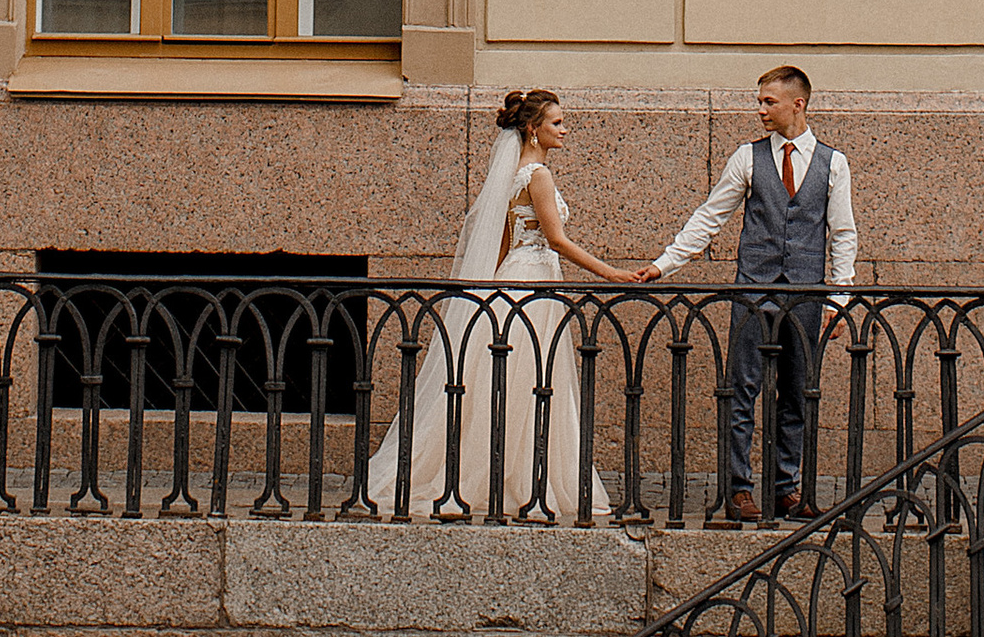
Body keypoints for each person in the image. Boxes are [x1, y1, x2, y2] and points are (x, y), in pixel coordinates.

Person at [367, 85, 648, 522]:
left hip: (512, 280)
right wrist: (610, 273)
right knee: (533, 382)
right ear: (533, 130)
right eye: (557, 123)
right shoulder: (538, 175)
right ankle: (524, 483)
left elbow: (500, 242)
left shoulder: (515, 173)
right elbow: (556, 239)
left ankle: (498, 477)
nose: (565, 130)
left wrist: (485, 291)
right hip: (533, 284)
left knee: (504, 382)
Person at [651, 64, 856, 523]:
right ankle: (738, 490)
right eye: (759, 100)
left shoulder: (832, 162)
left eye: (769, 101)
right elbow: (710, 217)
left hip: (806, 295)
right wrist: (665, 263)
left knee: (798, 393)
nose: (759, 109)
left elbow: (843, 235)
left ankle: (787, 489)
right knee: (740, 390)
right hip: (752, 292)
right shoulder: (747, 157)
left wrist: (838, 301)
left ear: (797, 104)